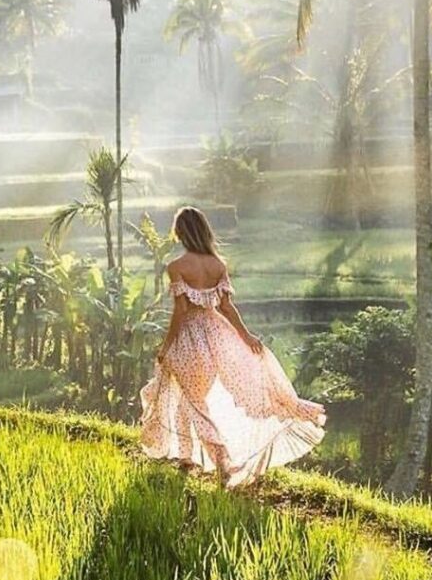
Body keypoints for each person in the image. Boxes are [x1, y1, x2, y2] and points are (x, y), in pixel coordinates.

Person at [139, 205, 326, 488]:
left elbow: (180, 311)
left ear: (180, 232)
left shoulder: (176, 267)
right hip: (217, 336)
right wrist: (246, 336)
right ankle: (187, 458)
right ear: (203, 230)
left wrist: (167, 345)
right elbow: (227, 307)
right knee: (189, 398)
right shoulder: (218, 265)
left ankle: (223, 459)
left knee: (194, 401)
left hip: (190, 339)